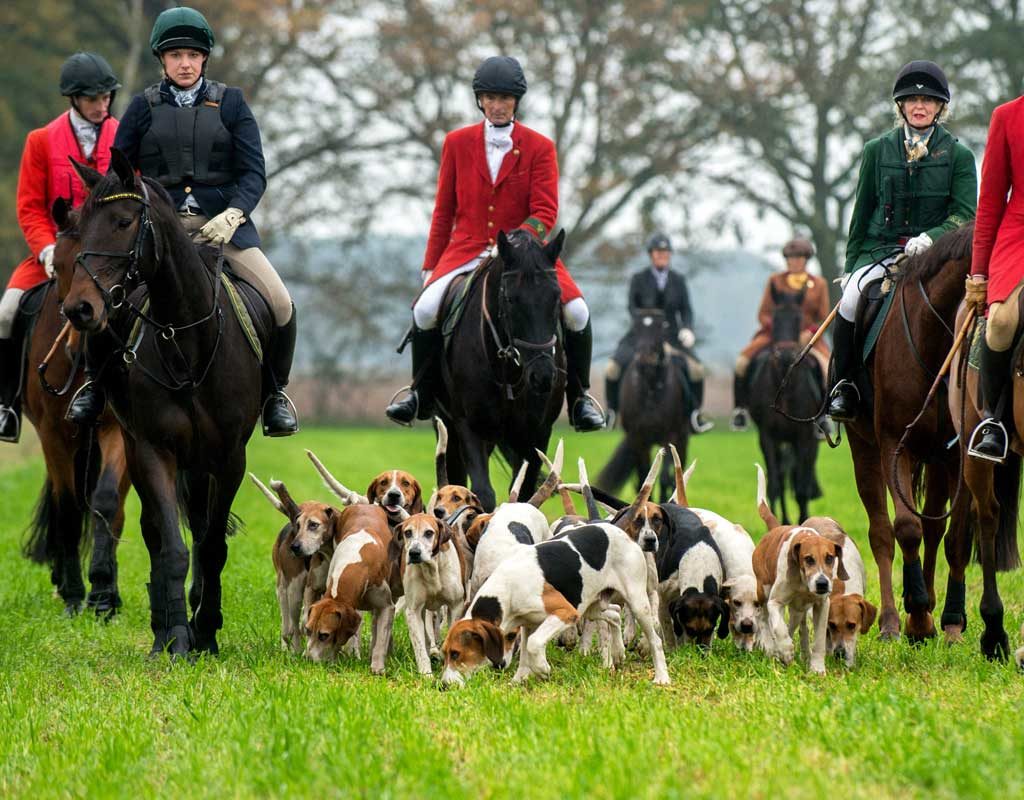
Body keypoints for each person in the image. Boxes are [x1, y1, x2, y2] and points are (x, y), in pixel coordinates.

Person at [68, 6, 298, 437]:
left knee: (281, 303)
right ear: (162, 60)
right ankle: (95, 387)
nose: (185, 63)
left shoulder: (232, 103)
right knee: (107, 297)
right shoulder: (141, 107)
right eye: (176, 56)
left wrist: (234, 213)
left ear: (205, 58)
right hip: (155, 234)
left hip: (223, 230)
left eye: (193, 55)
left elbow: (254, 173)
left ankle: (274, 396)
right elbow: (121, 172)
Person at [385, 56, 605, 432]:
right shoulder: (456, 143)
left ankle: (579, 397)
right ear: (480, 101)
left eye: (505, 98)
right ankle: (420, 391)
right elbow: (444, 211)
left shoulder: (540, 147)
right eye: (490, 97)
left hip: (526, 256)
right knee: (424, 311)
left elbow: (545, 212)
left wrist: (516, 244)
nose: (498, 105)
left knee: (579, 312)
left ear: (516, 101)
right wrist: (430, 265)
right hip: (466, 250)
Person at [828, 60, 977, 422]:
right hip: (881, 252)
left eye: (928, 101)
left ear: (941, 107)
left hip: (937, 258)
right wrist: (851, 269)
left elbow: (965, 216)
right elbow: (860, 217)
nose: (919, 106)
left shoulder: (959, 156)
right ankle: (844, 386)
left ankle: (979, 399)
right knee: (850, 301)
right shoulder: (876, 150)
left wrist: (932, 238)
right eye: (911, 100)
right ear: (901, 106)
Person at [0, 53, 121, 443]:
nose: (102, 106)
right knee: (5, 313)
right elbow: (30, 207)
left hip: (109, 259)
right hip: (56, 257)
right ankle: (7, 404)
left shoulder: (125, 136)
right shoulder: (40, 141)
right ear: (73, 99)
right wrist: (47, 250)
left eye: (107, 98)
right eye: (93, 99)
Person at [604, 232, 712, 433]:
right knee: (611, 368)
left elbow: (686, 309)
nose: (662, 255)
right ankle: (612, 412)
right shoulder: (638, 279)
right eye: (658, 252)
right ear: (651, 255)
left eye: (665, 252)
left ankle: (695, 415)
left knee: (696, 369)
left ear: (670, 254)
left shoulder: (678, 280)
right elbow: (631, 307)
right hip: (641, 335)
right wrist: (644, 324)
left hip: (672, 336)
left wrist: (687, 329)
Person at [966, 94, 1024, 462]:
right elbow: (990, 203)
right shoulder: (1007, 117)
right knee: (1001, 323)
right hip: (1019, 237)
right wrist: (979, 272)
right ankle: (994, 420)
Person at [731, 238, 830, 432]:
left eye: (799, 257)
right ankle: (740, 410)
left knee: (827, 369)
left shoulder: (819, 284)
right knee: (741, 362)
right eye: (791, 258)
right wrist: (776, 328)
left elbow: (823, 316)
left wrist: (808, 333)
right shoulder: (775, 281)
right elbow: (763, 313)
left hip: (807, 339)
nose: (795, 261)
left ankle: (823, 416)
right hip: (775, 336)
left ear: (806, 260)